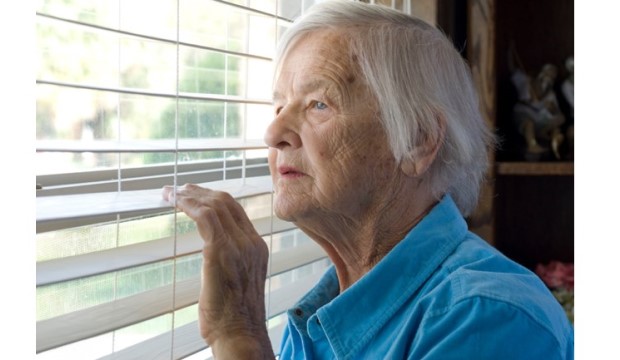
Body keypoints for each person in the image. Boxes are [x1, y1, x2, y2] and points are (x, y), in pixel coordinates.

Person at [162, 1, 574, 358]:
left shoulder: (488, 318)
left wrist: (240, 335)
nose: (273, 134)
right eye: (279, 106)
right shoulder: (323, 315)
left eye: (318, 104)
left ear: (417, 141)